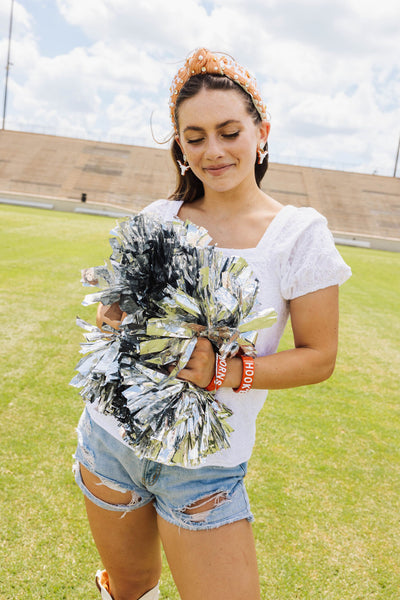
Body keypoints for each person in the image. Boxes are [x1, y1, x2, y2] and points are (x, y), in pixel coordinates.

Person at [73, 48, 351, 600]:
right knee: (129, 588)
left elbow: (318, 357)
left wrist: (224, 371)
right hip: (110, 442)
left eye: (228, 131)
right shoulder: (158, 216)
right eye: (194, 137)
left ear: (261, 131)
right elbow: (114, 324)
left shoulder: (299, 234)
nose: (213, 151)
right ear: (179, 144)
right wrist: (114, 317)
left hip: (205, 469)